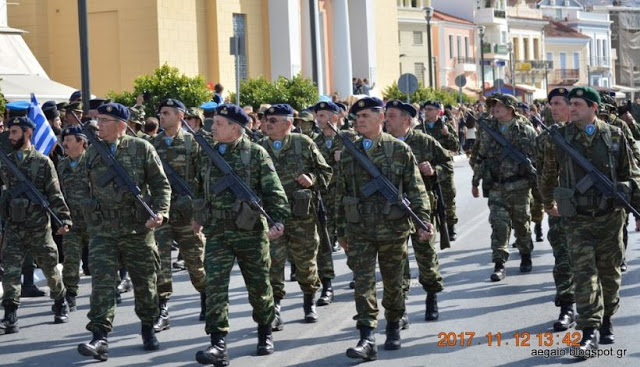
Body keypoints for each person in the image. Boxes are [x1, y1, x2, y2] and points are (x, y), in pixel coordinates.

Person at [539, 86, 640, 358]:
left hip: (610, 217)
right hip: (576, 219)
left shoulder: (615, 135)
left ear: (594, 108)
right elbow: (548, 173)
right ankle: (588, 331)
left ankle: (607, 319)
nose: (572, 108)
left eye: (578, 104)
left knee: (609, 273)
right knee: (584, 275)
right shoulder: (558, 137)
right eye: (570, 104)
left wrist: (637, 208)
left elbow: (632, 174)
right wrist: (548, 203)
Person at [192, 104, 290, 366]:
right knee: (215, 287)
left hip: (250, 232)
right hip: (218, 232)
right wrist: (198, 216)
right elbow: (199, 188)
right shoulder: (206, 154)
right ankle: (218, 344)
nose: (213, 127)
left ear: (236, 128)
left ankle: (264, 332)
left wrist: (277, 221)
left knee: (259, 287)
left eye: (219, 123)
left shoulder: (255, 154)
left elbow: (274, 192)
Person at [336, 97, 433, 360]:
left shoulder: (399, 150)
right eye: (357, 117)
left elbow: (416, 190)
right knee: (363, 284)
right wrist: (340, 232)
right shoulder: (349, 152)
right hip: (359, 230)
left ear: (381, 118)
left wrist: (423, 221)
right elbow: (339, 193)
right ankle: (366, 336)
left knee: (393, 283)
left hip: (392, 228)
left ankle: (393, 325)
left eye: (366, 116)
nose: (360, 120)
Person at [77, 102, 171, 360]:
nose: (99, 125)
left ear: (121, 125)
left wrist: (160, 212)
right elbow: (81, 185)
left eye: (105, 121)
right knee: (102, 284)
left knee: (145, 283)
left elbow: (161, 185)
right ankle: (99, 336)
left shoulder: (142, 148)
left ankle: (147, 327)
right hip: (102, 231)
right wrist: (87, 209)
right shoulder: (92, 153)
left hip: (136, 230)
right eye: (98, 120)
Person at [260, 104, 332, 328]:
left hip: (303, 217)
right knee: (273, 262)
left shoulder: (304, 144)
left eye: (274, 120)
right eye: (266, 120)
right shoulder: (259, 148)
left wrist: (312, 178)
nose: (268, 124)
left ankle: (309, 300)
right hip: (272, 217)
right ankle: (276, 307)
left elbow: (326, 171)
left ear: (288, 123)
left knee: (305, 263)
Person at [0, 116, 72, 335]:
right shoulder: (5, 161)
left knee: (50, 269)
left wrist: (64, 219)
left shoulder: (43, 162)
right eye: (9, 132)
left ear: (27, 133)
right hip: (14, 226)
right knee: (10, 272)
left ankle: (60, 300)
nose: (10, 136)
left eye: (14, 132)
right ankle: (10, 313)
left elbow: (55, 193)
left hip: (39, 227)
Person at [384, 100, 452, 323]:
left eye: (391, 116)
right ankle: (399, 308)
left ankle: (431, 297)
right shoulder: (382, 143)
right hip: (392, 211)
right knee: (397, 261)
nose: (386, 120)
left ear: (406, 120)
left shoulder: (423, 141)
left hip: (420, 208)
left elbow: (447, 164)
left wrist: (434, 171)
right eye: (386, 115)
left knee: (426, 257)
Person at [151, 98, 207, 331]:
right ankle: (162, 309)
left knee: (195, 262)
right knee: (160, 263)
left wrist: (200, 216)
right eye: (161, 113)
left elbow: (204, 181)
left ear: (180, 116)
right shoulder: (152, 144)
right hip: (162, 214)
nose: (161, 117)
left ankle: (206, 296)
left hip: (188, 214)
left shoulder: (193, 143)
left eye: (166, 113)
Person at [470, 94, 537, 281]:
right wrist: (475, 182)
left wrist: (539, 187)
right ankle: (499, 264)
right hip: (497, 186)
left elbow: (537, 159)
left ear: (510, 109)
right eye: (493, 106)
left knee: (522, 224)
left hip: (520, 186)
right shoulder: (488, 130)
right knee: (499, 224)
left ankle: (525, 255)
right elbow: (480, 157)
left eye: (499, 106)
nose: (494, 109)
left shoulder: (525, 130)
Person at [535, 88, 575, 332]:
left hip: (592, 207)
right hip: (562, 204)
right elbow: (542, 175)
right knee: (563, 257)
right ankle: (567, 307)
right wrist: (548, 203)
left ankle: (596, 310)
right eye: (551, 103)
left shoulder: (594, 133)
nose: (553, 108)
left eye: (558, 103)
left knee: (593, 261)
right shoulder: (546, 138)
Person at [312, 101, 357, 305]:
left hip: (346, 198)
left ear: (335, 117)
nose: (319, 119)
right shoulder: (313, 142)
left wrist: (347, 156)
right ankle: (327, 285)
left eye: (323, 115)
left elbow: (366, 162)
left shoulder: (349, 138)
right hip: (324, 198)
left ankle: (358, 271)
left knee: (349, 238)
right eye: (318, 116)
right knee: (324, 243)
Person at [57, 126, 92, 312]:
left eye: (69, 140)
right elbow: (58, 193)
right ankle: (70, 294)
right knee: (70, 259)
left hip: (94, 221)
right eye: (64, 140)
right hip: (72, 221)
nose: (64, 144)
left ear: (81, 142)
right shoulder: (62, 165)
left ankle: (112, 288)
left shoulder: (93, 162)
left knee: (100, 259)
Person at [416, 101, 459, 240]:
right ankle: (429, 227)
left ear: (437, 111)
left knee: (448, 198)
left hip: (442, 168)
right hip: (425, 170)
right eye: (425, 109)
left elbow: (456, 146)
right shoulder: (419, 128)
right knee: (428, 199)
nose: (426, 112)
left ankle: (451, 227)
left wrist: (447, 135)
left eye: (429, 109)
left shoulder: (445, 127)